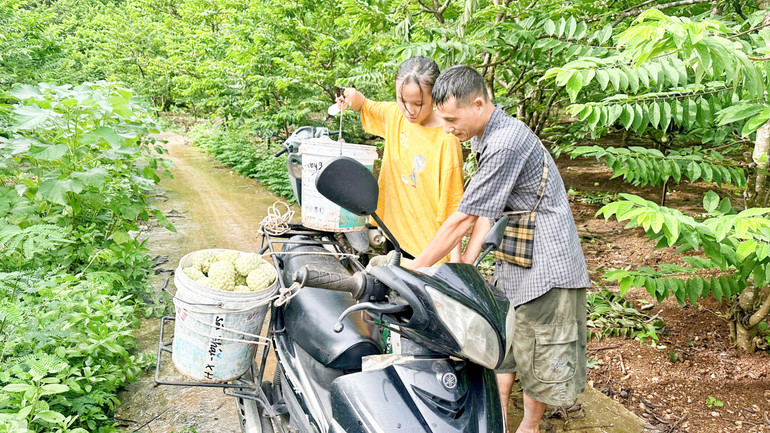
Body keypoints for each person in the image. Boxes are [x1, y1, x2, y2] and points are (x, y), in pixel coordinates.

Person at [408, 65, 591, 433]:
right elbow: (486, 213)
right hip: (517, 253)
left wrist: (415, 268)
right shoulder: (485, 136)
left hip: (547, 262)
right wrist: (467, 266)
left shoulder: (506, 142)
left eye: (451, 119)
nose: (446, 128)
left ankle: (529, 426)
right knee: (504, 341)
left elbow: (463, 218)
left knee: (537, 349)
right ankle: (499, 418)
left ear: (478, 103)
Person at [337, 57, 464, 263]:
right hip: (394, 233)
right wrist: (347, 95)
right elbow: (363, 104)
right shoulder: (395, 115)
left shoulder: (447, 140)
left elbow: (453, 202)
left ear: (436, 97)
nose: (409, 110)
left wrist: (456, 261)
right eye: (402, 100)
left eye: (418, 103)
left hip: (429, 248)